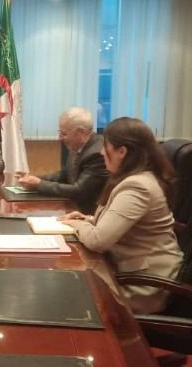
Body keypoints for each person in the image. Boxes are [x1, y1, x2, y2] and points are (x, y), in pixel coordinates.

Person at [61, 117, 183, 314]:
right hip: (126, 271)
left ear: (122, 151)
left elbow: (98, 241)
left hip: (143, 285)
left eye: (105, 146)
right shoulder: (135, 178)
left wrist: (76, 225)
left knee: (69, 294)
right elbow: (124, 223)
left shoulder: (137, 186)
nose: (101, 152)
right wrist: (87, 219)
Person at [16, 107, 108, 214]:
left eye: (64, 134)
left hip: (89, 214)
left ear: (81, 132)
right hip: (73, 209)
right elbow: (64, 175)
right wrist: (33, 178)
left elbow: (79, 191)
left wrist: (39, 184)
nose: (60, 138)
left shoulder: (97, 154)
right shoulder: (77, 146)